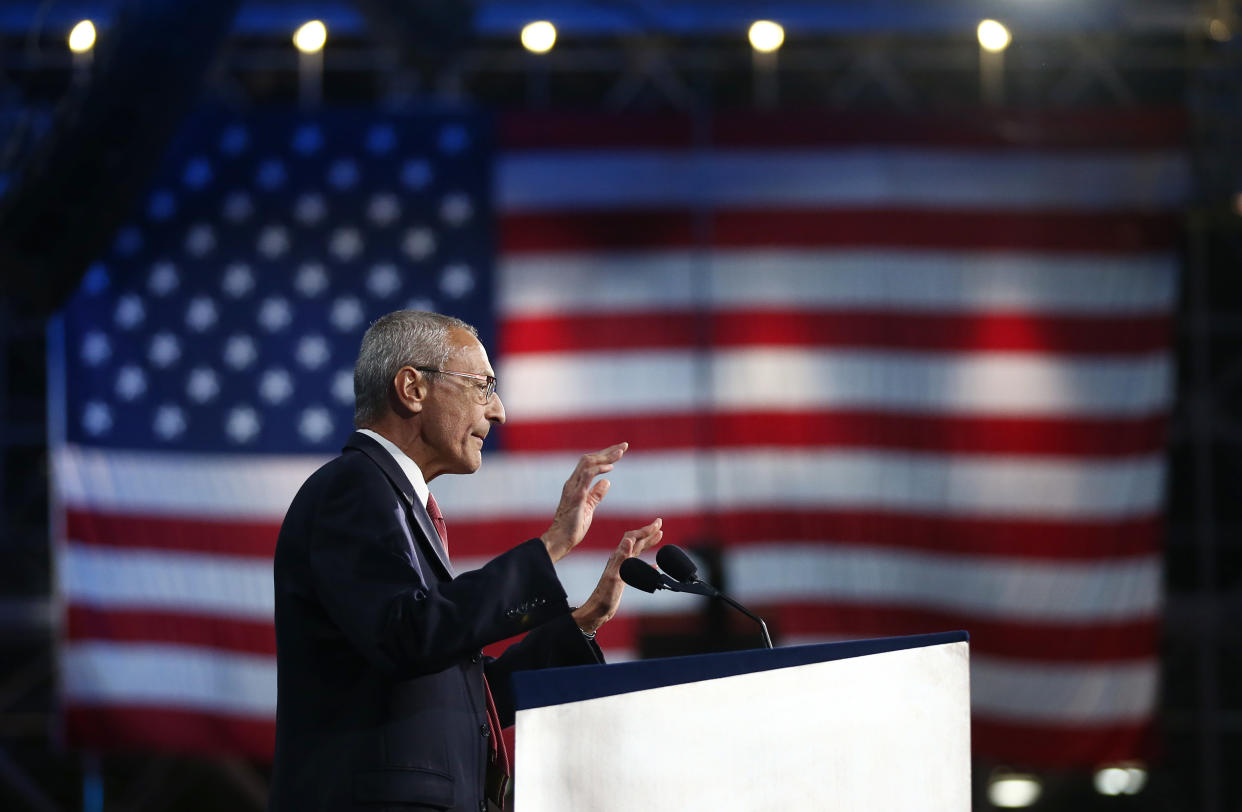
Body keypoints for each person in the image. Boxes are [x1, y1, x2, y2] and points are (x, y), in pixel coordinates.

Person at [269, 310, 661, 812]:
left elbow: (460, 693)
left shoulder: (394, 502)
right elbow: (406, 635)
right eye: (482, 386)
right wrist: (550, 547)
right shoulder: (353, 487)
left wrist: (579, 625)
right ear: (412, 388)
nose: (498, 411)